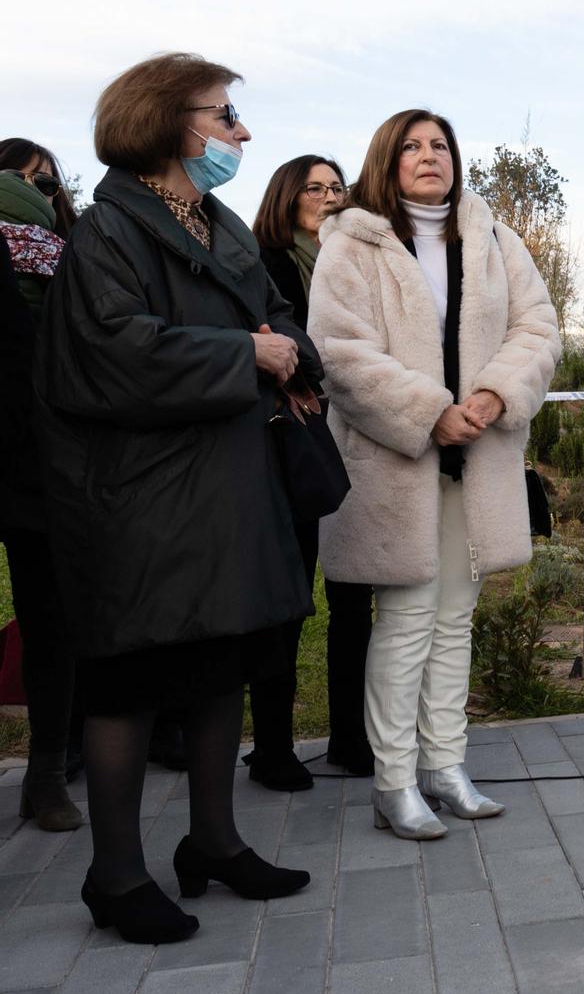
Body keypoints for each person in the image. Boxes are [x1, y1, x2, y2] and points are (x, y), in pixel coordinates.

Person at [37, 53, 313, 942]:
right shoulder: (108, 232)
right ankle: (115, 875)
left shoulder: (217, 221)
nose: (240, 132)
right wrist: (248, 357)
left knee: (219, 664)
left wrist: (294, 354)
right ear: (168, 122)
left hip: (225, 485)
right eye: (223, 116)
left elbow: (277, 311)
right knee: (130, 684)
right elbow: (113, 352)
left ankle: (214, 841)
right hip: (137, 498)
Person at [311, 110, 561, 838]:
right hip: (397, 463)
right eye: (414, 146)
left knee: (456, 619)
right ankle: (394, 780)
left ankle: (445, 765)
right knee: (407, 622)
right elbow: (340, 350)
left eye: (441, 145)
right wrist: (428, 411)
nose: (430, 156)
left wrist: (493, 393)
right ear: (387, 160)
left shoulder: (492, 236)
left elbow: (537, 326)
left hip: (476, 458)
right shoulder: (352, 243)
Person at [240, 155, 375, 787]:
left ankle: (351, 737)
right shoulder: (261, 263)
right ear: (286, 198)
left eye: (334, 187)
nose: (326, 196)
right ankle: (272, 747)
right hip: (294, 449)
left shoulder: (361, 262)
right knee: (288, 598)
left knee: (355, 598)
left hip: (364, 442)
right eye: (312, 188)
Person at [0, 141, 82, 832]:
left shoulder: (74, 259)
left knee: (50, 618)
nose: (34, 187)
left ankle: (48, 772)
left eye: (45, 179)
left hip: (43, 459)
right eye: (21, 175)